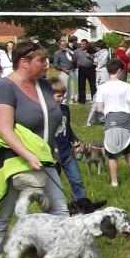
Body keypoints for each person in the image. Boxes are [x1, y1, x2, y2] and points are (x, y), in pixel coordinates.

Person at [0, 42, 71, 258]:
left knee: (60, 212)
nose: (46, 65)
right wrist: (27, 156)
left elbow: (51, 122)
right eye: (41, 60)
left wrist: (54, 151)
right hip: (13, 162)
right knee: (1, 217)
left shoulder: (45, 86)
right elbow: (4, 129)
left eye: (47, 60)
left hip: (45, 161)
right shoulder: (5, 88)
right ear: (23, 62)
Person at [93, 61, 130, 188]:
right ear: (119, 70)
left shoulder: (102, 87)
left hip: (111, 119)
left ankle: (114, 182)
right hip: (126, 119)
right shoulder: (126, 86)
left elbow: (99, 108)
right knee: (128, 148)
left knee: (112, 153)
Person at [49, 77, 88, 205]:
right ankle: (56, 209)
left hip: (67, 153)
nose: (61, 98)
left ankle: (80, 206)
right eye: (58, 96)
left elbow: (68, 127)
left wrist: (75, 139)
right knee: (53, 187)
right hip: (52, 156)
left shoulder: (65, 109)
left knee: (77, 180)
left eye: (63, 96)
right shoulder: (45, 112)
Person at [52, 38, 75, 102]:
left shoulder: (68, 51)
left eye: (65, 45)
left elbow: (73, 59)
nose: (64, 46)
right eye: (63, 45)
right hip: (63, 72)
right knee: (65, 88)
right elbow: (55, 64)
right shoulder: (57, 53)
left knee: (70, 88)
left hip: (70, 71)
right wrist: (63, 69)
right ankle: (63, 101)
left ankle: (69, 101)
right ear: (59, 46)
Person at [74, 38, 96, 104]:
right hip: (82, 69)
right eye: (81, 44)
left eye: (84, 44)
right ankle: (81, 101)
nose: (82, 45)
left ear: (87, 44)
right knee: (81, 85)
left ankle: (94, 100)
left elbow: (97, 58)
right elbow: (73, 59)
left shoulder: (92, 50)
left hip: (91, 69)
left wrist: (91, 56)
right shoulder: (77, 51)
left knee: (93, 85)